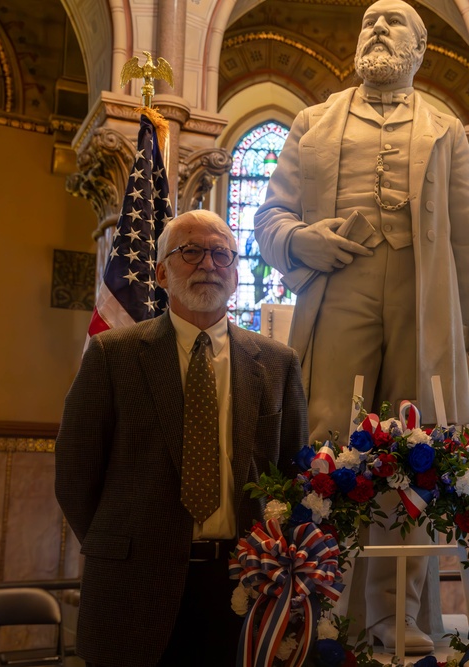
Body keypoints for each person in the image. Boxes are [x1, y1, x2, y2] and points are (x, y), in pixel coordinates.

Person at [253, 0, 469, 653]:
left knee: (415, 458)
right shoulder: (313, 123)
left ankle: (398, 623)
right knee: (332, 447)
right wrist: (305, 241)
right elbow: (268, 222)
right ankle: (317, 616)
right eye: (370, 21)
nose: (378, 28)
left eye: (394, 22)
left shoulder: (447, 130)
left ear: (420, 49)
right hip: (341, 296)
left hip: (425, 302)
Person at [55, 210, 308, 667]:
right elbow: (75, 474)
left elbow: (292, 471)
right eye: (190, 251)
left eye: (221, 254)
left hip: (244, 583)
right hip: (134, 586)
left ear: (236, 271)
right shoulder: (115, 356)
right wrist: (122, 546)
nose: (208, 264)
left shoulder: (277, 363)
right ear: (160, 273)